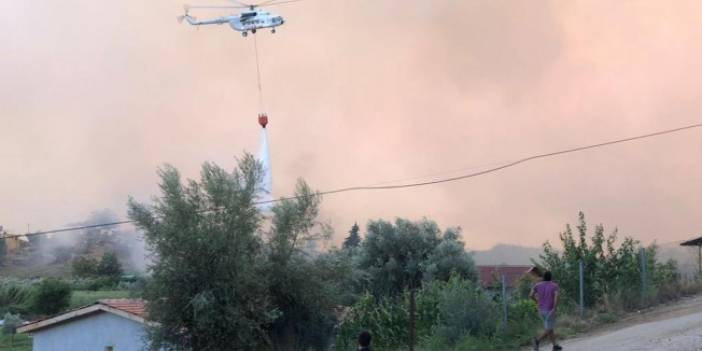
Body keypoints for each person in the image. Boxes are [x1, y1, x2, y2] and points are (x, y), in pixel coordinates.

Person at [530, 271, 562, 351]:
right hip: (549, 310)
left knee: (550, 328)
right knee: (549, 329)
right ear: (551, 277)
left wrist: (536, 301)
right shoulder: (554, 286)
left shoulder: (537, 285)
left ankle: (555, 346)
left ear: (543, 277)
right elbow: (556, 297)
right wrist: (554, 308)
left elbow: (530, 295)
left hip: (541, 310)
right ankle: (537, 341)